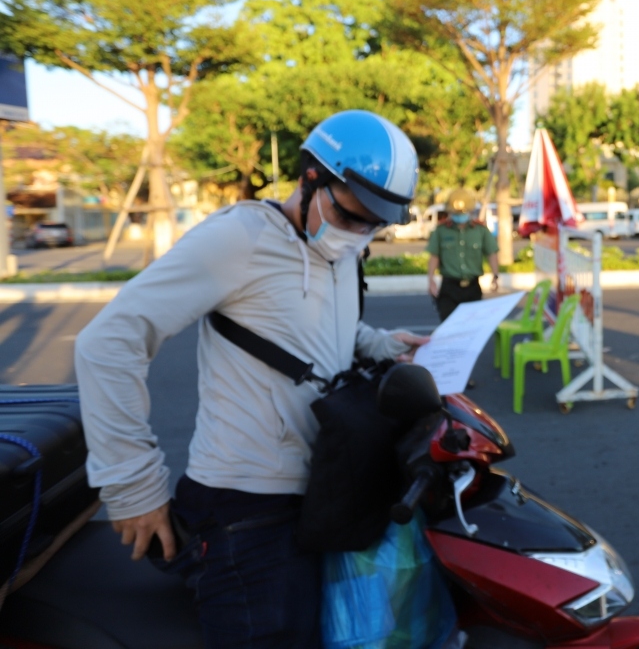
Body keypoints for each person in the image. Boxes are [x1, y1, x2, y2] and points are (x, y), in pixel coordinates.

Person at [75, 110, 430, 648]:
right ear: (311, 178)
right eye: (353, 216)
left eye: (375, 225)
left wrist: (380, 344)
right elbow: (107, 343)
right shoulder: (240, 238)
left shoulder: (329, 247)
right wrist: (131, 484)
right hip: (246, 511)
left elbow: (311, 323)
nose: (360, 234)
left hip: (317, 491)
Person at [426, 188, 500, 321]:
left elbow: (491, 253)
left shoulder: (480, 231)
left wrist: (495, 275)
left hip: (472, 287)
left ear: (471, 211)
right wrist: (431, 279)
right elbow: (434, 256)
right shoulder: (441, 231)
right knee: (448, 327)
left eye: (463, 212)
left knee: (470, 328)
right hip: (449, 287)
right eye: (456, 213)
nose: (460, 216)